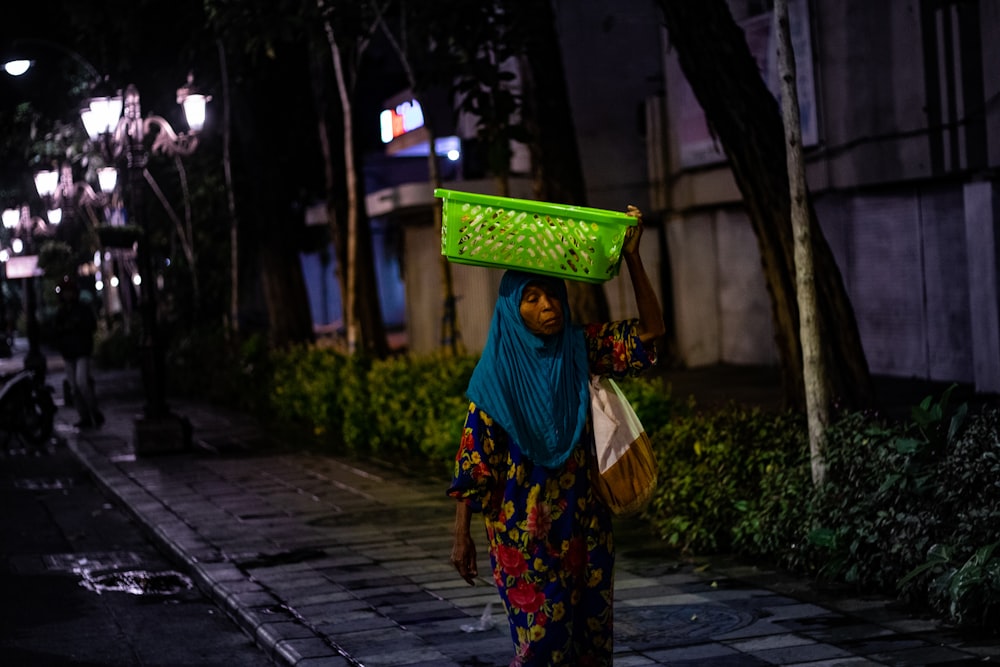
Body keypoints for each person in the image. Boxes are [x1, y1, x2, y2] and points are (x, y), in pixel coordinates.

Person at [447, 206, 665, 666]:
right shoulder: (495, 377)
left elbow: (650, 333)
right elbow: (473, 464)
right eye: (532, 298)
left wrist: (633, 257)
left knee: (592, 647)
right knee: (543, 649)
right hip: (522, 538)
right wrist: (461, 536)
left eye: (553, 297)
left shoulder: (580, 348)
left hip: (585, 526)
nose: (547, 307)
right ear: (511, 307)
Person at [53, 276, 104, 429]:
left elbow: (90, 326)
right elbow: (56, 331)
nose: (67, 295)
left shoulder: (82, 309)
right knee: (74, 387)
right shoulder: (62, 312)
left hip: (81, 351)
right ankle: (85, 416)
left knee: (81, 383)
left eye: (69, 292)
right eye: (65, 292)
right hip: (69, 353)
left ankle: (93, 412)